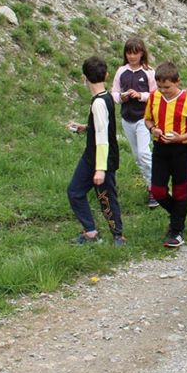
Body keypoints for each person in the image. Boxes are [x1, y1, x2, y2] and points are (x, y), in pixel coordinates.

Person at [65, 57, 125, 246]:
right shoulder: (105, 97)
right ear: (106, 75)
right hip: (93, 156)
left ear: (84, 77)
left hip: (100, 158)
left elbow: (102, 137)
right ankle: (91, 233)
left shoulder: (98, 103)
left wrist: (100, 168)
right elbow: (101, 127)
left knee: (105, 195)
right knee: (75, 191)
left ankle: (118, 236)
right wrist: (85, 127)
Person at [145, 61, 187, 248]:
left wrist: (182, 137)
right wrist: (153, 129)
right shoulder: (153, 97)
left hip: (181, 150)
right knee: (157, 190)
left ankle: (177, 230)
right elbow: (147, 119)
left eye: (167, 87)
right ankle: (177, 214)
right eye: (160, 87)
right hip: (160, 149)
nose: (163, 91)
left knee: (180, 191)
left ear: (178, 81)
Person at [111, 37, 157, 208]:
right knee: (138, 156)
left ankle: (156, 188)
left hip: (143, 119)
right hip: (126, 119)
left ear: (142, 53)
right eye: (129, 53)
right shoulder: (121, 71)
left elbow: (156, 94)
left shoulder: (149, 72)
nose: (132, 56)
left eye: (135, 53)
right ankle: (150, 185)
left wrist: (140, 95)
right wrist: (122, 97)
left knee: (144, 153)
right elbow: (114, 93)